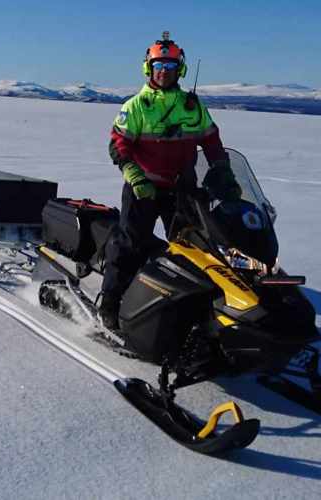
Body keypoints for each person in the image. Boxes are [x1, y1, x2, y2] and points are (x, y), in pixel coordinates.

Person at [99, 31, 235, 332]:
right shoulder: (135, 106)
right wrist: (134, 175)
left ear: (179, 70)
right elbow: (118, 145)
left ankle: (192, 305)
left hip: (182, 187)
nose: (164, 72)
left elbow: (211, 141)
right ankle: (110, 302)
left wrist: (222, 170)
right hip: (143, 187)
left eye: (170, 67)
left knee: (194, 244)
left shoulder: (193, 106)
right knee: (130, 242)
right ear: (149, 68)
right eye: (159, 66)